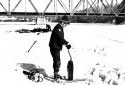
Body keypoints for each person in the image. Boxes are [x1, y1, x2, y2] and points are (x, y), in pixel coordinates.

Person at [49, 15, 71, 79]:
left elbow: (60, 38)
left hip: (56, 47)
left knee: (57, 61)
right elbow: (60, 38)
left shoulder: (59, 27)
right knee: (57, 61)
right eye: (66, 24)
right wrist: (67, 44)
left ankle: (56, 73)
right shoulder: (58, 28)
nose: (66, 26)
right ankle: (56, 75)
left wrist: (66, 44)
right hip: (54, 47)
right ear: (63, 23)